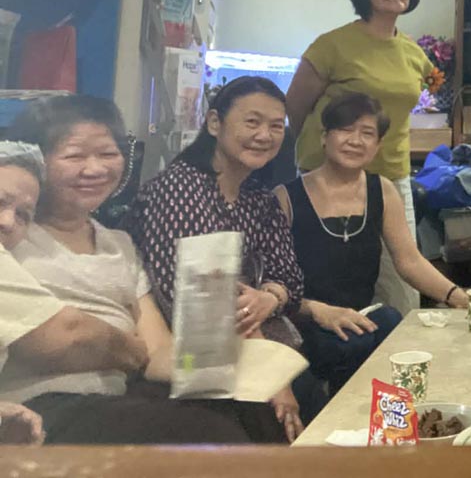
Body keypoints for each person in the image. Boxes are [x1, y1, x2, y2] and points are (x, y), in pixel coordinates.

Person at [2, 112, 283, 445]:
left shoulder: (120, 245)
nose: (95, 169)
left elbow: (157, 351)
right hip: (38, 402)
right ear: (41, 162)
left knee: (250, 411)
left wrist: (232, 364)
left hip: (117, 397)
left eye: (108, 153)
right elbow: (66, 337)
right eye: (75, 156)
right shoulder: (12, 236)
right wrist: (130, 349)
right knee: (205, 434)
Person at [125, 77, 314, 436]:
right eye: (252, 122)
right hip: (183, 349)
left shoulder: (257, 197)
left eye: (276, 126)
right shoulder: (181, 188)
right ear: (214, 123)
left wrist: (270, 296)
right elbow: (204, 299)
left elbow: (291, 279)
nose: (265, 135)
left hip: (244, 342)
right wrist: (273, 377)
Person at [274, 92, 468, 394]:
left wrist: (459, 297)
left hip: (362, 318)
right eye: (345, 130)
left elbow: (409, 261)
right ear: (324, 137)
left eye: (367, 133)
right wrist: (315, 310)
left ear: (377, 146)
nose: (355, 140)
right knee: (353, 344)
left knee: (393, 325)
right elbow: (273, 282)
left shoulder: (383, 190)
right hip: (308, 319)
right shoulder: (286, 197)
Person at [286, 0, 433, 315]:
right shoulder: (332, 45)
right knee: (333, 280)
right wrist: (313, 153)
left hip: (390, 176)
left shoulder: (414, 53)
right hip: (327, 176)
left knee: (402, 285)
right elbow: (295, 107)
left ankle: (399, 346)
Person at [1, 140, 147, 447]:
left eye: (23, 214)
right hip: (60, 403)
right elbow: (68, 334)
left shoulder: (120, 244)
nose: (7, 222)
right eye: (0, 202)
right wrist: (136, 352)